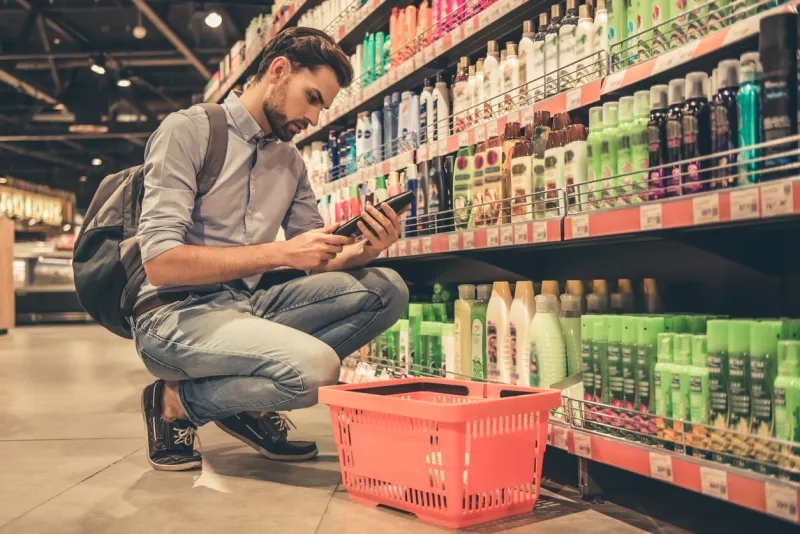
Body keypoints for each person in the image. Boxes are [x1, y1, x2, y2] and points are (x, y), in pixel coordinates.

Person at [134, 27, 408, 471]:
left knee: (386, 289)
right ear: (279, 71)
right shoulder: (189, 130)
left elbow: (316, 258)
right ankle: (175, 403)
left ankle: (248, 405)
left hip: (244, 305)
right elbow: (161, 263)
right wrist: (280, 253)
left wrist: (365, 250)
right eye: (313, 97)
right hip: (173, 314)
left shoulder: (290, 160)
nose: (315, 118)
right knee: (315, 370)